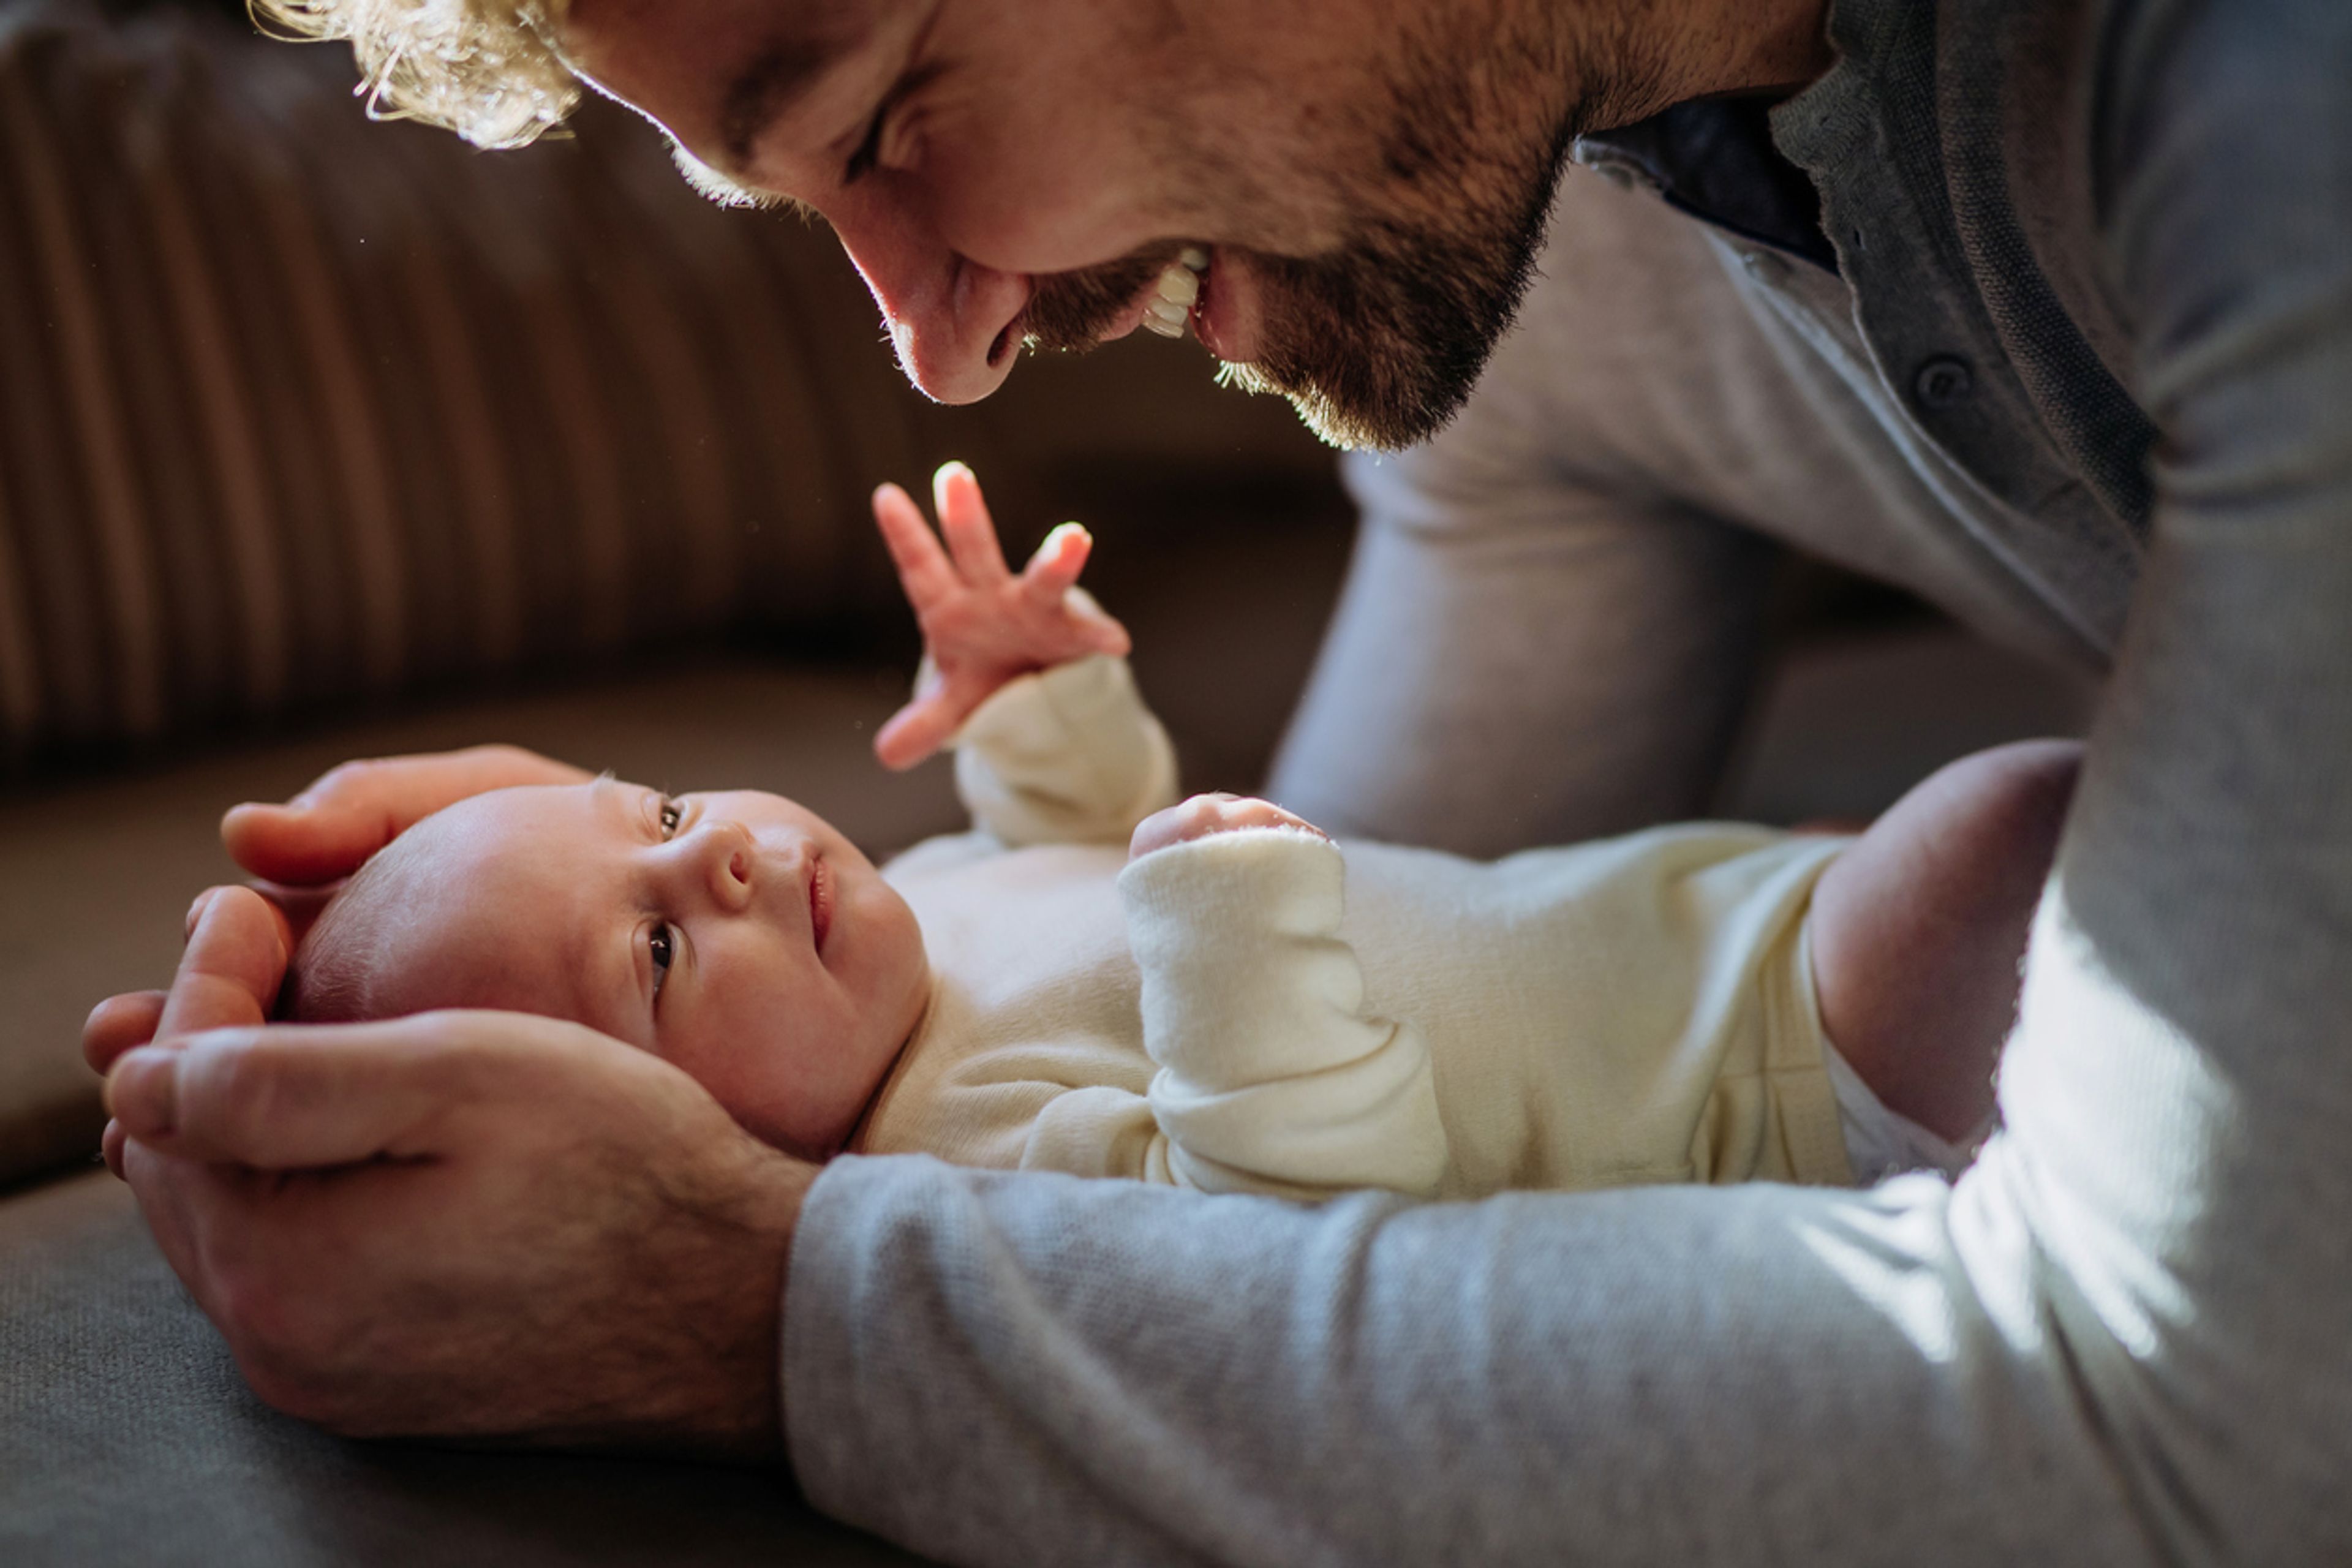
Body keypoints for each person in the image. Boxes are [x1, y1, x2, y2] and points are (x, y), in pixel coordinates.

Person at [85, 0, 2352, 1561]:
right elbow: (1354, 926)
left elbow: (2199, 1451)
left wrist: (731, 1296)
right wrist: (544, 915)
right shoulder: (1556, 209)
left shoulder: (2274, 121)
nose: (944, 352)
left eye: (880, 113)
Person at [280, 464, 2068, 1196]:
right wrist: (1223, 938)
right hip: (1740, 1100)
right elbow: (1272, 1227)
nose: (723, 858)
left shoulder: (908, 902)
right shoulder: (954, 1158)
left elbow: (1076, 836)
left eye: (661, 817)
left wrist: (1024, 702)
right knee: (2017, 824)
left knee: (1915, 854)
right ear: (672, 1153)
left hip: (1714, 925)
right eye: (659, 948)